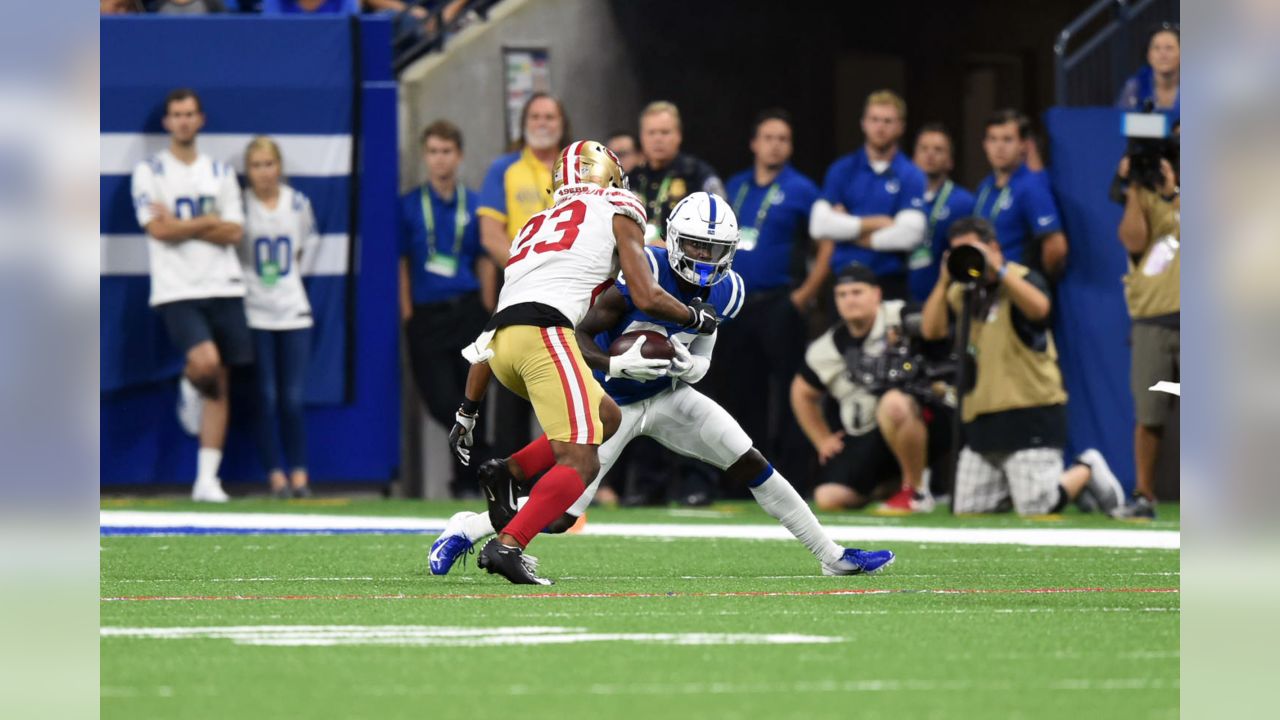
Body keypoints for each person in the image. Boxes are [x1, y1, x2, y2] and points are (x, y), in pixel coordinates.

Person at [429, 194, 895, 579]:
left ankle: (830, 555)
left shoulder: (730, 289)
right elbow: (577, 337)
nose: (704, 260)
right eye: (694, 247)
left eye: (714, 251)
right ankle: (468, 526)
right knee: (560, 516)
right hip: (611, 401)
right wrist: (617, 363)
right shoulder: (641, 270)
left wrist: (692, 368)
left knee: (751, 460)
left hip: (670, 395)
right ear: (672, 240)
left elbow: (704, 341)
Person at [446, 142, 721, 585]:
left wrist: (468, 408)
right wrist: (695, 316)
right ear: (611, 176)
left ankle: (507, 471)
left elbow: (495, 321)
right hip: (546, 336)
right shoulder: (620, 205)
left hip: (500, 347)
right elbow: (647, 293)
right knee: (583, 462)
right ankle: (508, 545)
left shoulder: (535, 224)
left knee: (606, 415)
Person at [920, 218, 1125, 516]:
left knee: (1036, 508)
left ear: (994, 247)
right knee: (968, 509)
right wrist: (944, 279)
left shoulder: (1023, 278)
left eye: (972, 250)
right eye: (957, 252)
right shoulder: (962, 291)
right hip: (981, 417)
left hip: (1030, 412)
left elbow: (1040, 309)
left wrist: (997, 269)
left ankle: (1086, 470)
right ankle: (1025, 486)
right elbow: (931, 331)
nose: (968, 258)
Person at [130, 88, 249, 502]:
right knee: (206, 364)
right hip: (177, 287)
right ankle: (188, 380)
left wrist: (183, 222)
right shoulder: (150, 171)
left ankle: (206, 480)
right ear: (167, 122)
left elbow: (235, 231)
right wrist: (206, 221)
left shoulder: (218, 171)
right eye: (176, 114)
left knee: (221, 382)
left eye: (190, 114)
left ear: (200, 120)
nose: (183, 121)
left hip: (225, 283)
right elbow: (157, 230)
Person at [703, 109, 823, 488]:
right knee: (739, 389)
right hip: (736, 304)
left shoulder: (803, 189)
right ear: (754, 143)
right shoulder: (734, 186)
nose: (775, 145)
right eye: (768, 137)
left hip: (781, 302)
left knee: (788, 389)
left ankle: (793, 478)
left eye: (783, 139)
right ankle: (741, 479)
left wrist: (805, 294)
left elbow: (826, 244)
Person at [791, 264, 947, 513]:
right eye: (842, 294)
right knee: (828, 497)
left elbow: (933, 329)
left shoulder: (900, 315)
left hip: (924, 418)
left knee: (893, 403)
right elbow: (801, 392)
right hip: (868, 432)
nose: (849, 300)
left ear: (877, 294)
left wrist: (943, 282)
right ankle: (887, 488)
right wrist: (822, 439)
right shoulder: (826, 347)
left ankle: (915, 491)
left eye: (857, 292)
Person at [399, 120, 495, 497]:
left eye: (447, 152)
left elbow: (486, 258)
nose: (440, 160)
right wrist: (407, 313)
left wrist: (487, 307)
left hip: (468, 310)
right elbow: (401, 262)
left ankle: (465, 481)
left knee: (474, 402)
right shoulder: (409, 205)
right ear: (425, 156)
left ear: (459, 156)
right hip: (426, 314)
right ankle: (494, 460)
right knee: (443, 402)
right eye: (434, 152)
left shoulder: (474, 204)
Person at [477, 92, 571, 456]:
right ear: (524, 123)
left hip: (570, 287)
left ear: (562, 124)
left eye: (550, 116)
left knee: (570, 377)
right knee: (511, 376)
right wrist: (524, 270)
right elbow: (490, 234)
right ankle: (508, 473)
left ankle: (572, 471)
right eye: (535, 117)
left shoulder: (577, 169)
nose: (542, 123)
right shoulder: (505, 168)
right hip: (518, 283)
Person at [238, 137, 317, 499]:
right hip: (255, 309)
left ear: (279, 167)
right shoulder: (239, 206)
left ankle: (300, 474)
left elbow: (303, 251)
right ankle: (275, 476)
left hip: (292, 309)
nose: (264, 172)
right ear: (248, 171)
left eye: (269, 164)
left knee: (292, 397)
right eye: (256, 165)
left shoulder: (297, 203)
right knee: (265, 396)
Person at [809, 90, 927, 300]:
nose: (880, 127)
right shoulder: (842, 169)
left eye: (888, 121)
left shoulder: (912, 175)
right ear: (863, 123)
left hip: (889, 283)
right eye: (874, 120)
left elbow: (911, 234)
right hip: (844, 282)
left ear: (901, 127)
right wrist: (879, 222)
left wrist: (847, 231)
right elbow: (819, 225)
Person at [1114, 154, 1180, 519]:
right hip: (1154, 318)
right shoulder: (1146, 195)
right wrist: (1135, 189)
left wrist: (1175, 194)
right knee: (1149, 412)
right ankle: (1144, 496)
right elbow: (1134, 240)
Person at [972, 109, 1068, 278]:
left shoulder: (1031, 187)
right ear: (984, 144)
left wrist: (1034, 281)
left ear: (1023, 145)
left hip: (1018, 285)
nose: (999, 147)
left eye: (1007, 140)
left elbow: (1056, 246)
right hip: (987, 284)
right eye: (993, 139)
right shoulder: (984, 187)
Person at [630, 101, 726, 244]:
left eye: (665, 132)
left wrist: (673, 246)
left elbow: (722, 225)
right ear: (642, 137)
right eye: (651, 132)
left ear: (679, 135)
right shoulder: (632, 178)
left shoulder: (698, 174)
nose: (658, 139)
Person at [908, 123, 976, 302]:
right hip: (901, 292)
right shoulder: (901, 197)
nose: (930, 154)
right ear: (914, 157)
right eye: (924, 149)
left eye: (938, 150)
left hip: (946, 298)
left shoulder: (964, 202)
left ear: (950, 160)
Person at [1116, 24, 1180, 123]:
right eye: (1156, 48)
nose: (1163, 54)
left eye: (1169, 48)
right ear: (1149, 56)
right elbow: (1119, 121)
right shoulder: (1134, 87)